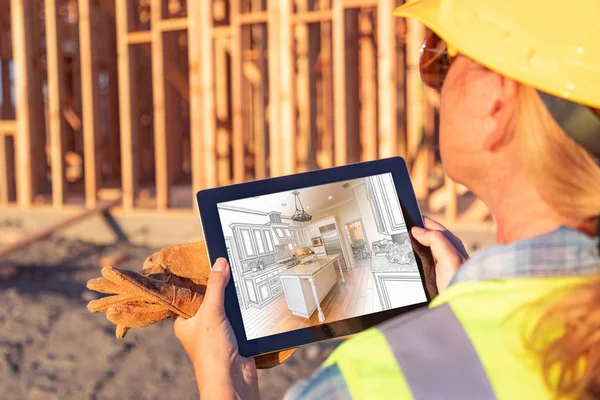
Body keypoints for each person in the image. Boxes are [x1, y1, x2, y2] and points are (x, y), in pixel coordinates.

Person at [174, 0, 600, 398]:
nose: (435, 84)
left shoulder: (368, 381)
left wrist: (223, 381)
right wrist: (466, 301)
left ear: (496, 104)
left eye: (442, 58)